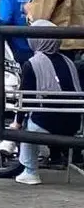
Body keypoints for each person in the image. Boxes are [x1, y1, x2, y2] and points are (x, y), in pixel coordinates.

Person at [10, 20, 84, 185]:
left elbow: (24, 100)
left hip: (47, 125)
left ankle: (30, 171)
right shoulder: (69, 62)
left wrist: (17, 123)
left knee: (27, 125)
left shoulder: (32, 64)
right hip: (73, 124)